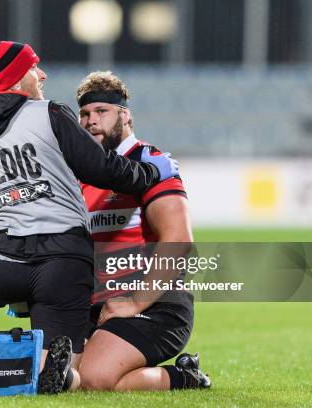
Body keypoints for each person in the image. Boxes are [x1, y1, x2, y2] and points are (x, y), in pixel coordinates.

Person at [0, 34, 179, 394]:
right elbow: (100, 168)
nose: (43, 74)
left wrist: (2, 231)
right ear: (17, 78)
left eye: (101, 112)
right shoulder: (48, 114)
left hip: (2, 263)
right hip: (63, 265)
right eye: (34, 68)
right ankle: (56, 370)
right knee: (64, 373)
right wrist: (148, 173)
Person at [74, 71, 211, 391]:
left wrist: (136, 302)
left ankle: (183, 377)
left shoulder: (150, 163)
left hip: (156, 305)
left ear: (125, 116)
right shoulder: (81, 174)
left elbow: (178, 239)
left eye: (101, 112)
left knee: (93, 379)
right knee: (62, 378)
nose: (91, 120)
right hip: (100, 307)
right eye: (84, 113)